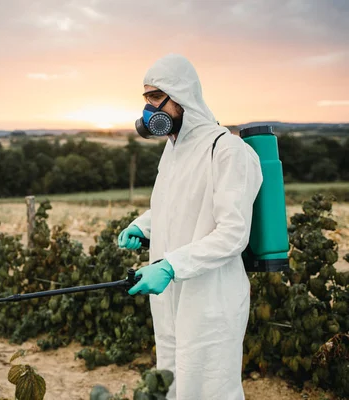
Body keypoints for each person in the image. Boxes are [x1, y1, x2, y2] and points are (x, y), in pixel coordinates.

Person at [118, 54, 263, 399]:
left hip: (211, 297)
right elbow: (172, 204)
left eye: (156, 98)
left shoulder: (227, 150)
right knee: (173, 381)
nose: (149, 110)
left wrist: (171, 265)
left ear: (181, 96)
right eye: (147, 99)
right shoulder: (173, 149)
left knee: (211, 387)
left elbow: (232, 234)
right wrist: (143, 226)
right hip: (171, 295)